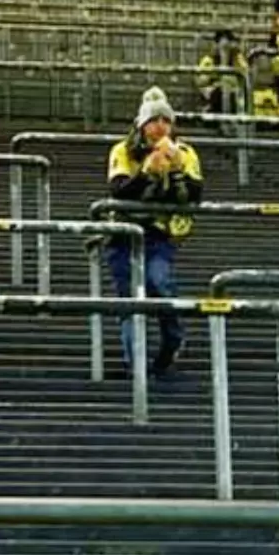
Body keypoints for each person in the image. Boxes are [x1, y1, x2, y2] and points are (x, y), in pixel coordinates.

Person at [105, 86, 204, 377]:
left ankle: (172, 339)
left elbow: (196, 193)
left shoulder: (184, 153)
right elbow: (118, 190)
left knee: (158, 281)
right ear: (141, 124)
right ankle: (135, 365)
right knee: (129, 297)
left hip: (160, 233)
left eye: (165, 121)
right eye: (153, 120)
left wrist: (174, 171)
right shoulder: (123, 150)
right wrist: (147, 171)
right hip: (124, 233)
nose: (160, 126)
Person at [197, 28, 249, 114]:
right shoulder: (209, 60)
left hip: (235, 94)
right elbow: (201, 81)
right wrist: (218, 67)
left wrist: (233, 58)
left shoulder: (237, 58)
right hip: (215, 94)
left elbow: (246, 75)